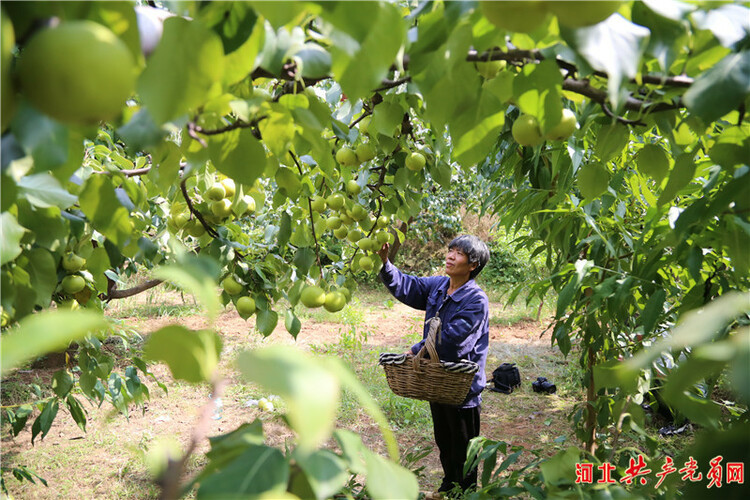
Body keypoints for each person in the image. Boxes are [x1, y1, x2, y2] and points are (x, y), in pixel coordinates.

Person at [377, 234, 490, 494]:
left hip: (461, 385)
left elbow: (453, 340)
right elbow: (408, 285)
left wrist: (416, 350)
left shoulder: (475, 299)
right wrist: (385, 264)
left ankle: (466, 491)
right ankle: (448, 487)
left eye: (459, 254)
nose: (450, 256)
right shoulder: (439, 286)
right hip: (437, 381)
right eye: (450, 251)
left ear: (472, 264)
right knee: (445, 441)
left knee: (464, 446)